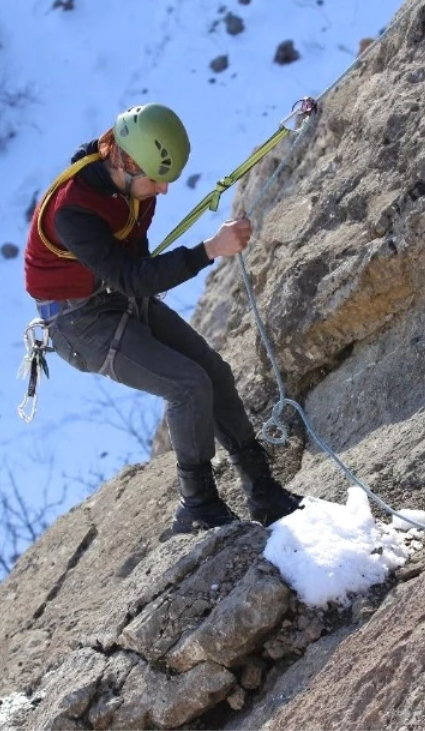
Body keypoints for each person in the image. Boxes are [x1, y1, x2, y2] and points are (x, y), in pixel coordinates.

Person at [23, 103, 301, 533]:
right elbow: (135, 278)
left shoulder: (132, 187)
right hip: (79, 325)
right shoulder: (73, 211)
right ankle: (197, 506)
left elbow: (132, 265)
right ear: (124, 162)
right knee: (187, 386)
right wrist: (209, 250)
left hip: (111, 298)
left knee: (214, 371)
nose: (164, 191)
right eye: (156, 180)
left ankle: (263, 491)